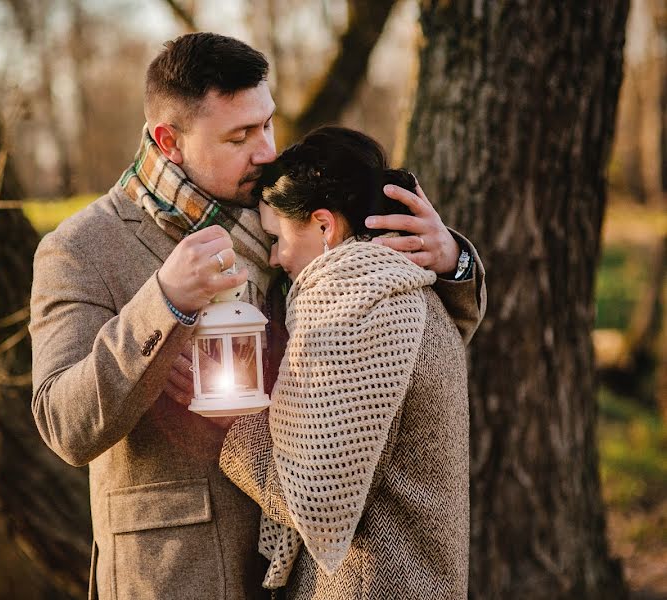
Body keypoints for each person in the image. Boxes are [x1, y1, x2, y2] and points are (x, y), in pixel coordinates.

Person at [29, 32, 485, 600]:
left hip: (315, 571)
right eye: (240, 136)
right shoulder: (82, 248)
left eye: (266, 124)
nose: (266, 150)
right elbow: (64, 427)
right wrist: (163, 300)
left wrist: (450, 261)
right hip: (178, 576)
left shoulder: (293, 212)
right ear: (170, 141)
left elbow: (402, 349)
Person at [219, 126, 470, 599]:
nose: (273, 257)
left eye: (276, 236)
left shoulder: (356, 312)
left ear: (322, 225)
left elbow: (312, 500)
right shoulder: (406, 289)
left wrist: (233, 423)